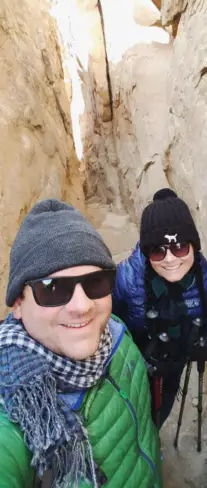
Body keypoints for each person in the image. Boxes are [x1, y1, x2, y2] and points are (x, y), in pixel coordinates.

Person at [0, 199, 162, 488]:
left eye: (95, 282)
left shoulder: (115, 331)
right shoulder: (17, 400)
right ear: (18, 304)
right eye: (53, 288)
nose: (82, 306)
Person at [112, 188, 207, 427]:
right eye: (157, 250)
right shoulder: (125, 279)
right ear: (146, 251)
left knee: (159, 414)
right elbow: (107, 325)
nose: (170, 259)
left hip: (173, 365)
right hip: (131, 369)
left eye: (180, 246)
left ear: (194, 245)